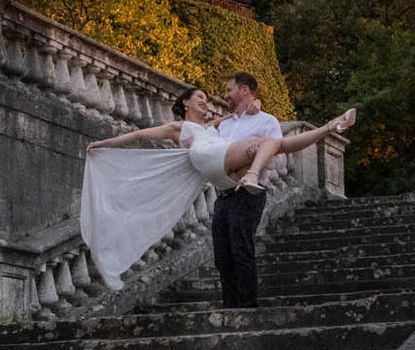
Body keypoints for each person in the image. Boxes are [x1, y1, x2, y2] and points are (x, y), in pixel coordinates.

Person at [79, 75, 352, 295]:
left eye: (224, 92)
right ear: (185, 102)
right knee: (223, 255)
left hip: (235, 178)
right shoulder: (189, 128)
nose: (211, 99)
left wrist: (254, 108)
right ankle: (232, 305)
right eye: (201, 97)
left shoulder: (228, 125)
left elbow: (244, 126)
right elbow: (139, 134)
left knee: (272, 145)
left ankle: (325, 129)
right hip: (219, 172)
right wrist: (103, 145)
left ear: (244, 90)